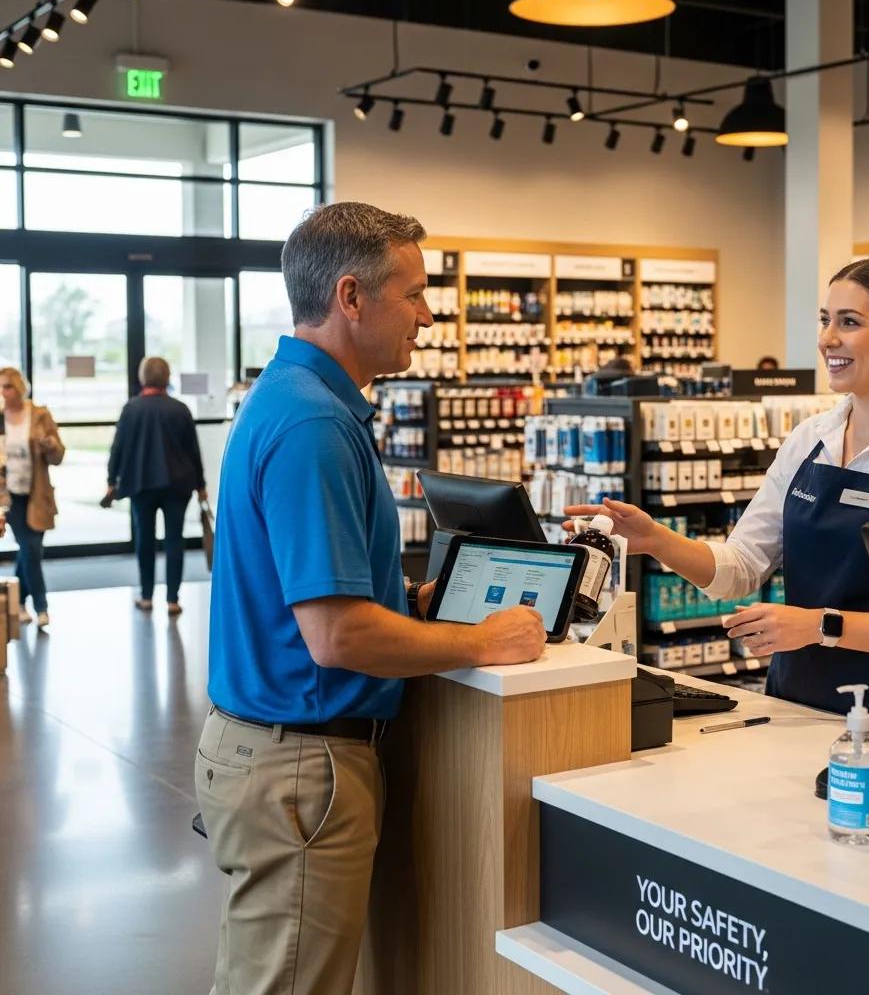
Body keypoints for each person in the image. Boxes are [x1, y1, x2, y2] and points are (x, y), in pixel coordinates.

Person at [196, 202, 546, 995]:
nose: (427, 315)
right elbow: (337, 637)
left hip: (275, 748)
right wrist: (480, 641)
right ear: (351, 298)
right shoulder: (314, 423)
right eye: (414, 294)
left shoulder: (292, 397)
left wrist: (406, 601)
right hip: (301, 763)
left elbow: (319, 598)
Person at [566, 256, 869, 726]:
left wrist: (819, 625)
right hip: (794, 704)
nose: (828, 338)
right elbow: (741, 566)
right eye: (825, 320)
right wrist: (657, 541)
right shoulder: (810, 440)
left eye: (849, 322)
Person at [104, 357, 207, 615]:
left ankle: (147, 595)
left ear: (142, 378)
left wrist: (110, 480)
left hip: (141, 484)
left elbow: (118, 448)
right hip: (178, 484)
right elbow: (193, 451)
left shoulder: (132, 409)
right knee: (175, 540)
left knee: (145, 541)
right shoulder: (180, 409)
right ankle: (173, 598)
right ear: (167, 377)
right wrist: (201, 485)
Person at [0, 366, 64, 628]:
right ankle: (42, 607)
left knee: (29, 551)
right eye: (1, 387)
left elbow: (59, 455)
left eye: (8, 386)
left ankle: (18, 602)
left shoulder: (39, 415)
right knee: (31, 549)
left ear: (19, 388)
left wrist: (49, 445)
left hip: (36, 494)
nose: (3, 392)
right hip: (9, 495)